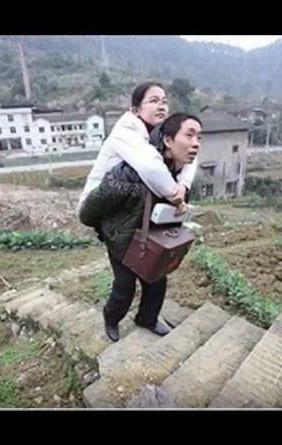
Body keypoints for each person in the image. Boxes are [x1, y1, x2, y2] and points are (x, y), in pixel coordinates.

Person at [80, 113, 202, 342]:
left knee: (156, 279)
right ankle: (111, 318)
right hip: (121, 239)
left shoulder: (179, 175)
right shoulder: (129, 173)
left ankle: (147, 318)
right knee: (125, 286)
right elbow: (90, 209)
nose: (196, 143)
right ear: (168, 140)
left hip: (153, 240)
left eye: (199, 137)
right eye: (189, 135)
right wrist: (107, 232)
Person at [78, 81, 198, 212]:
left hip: (121, 199)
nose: (161, 107)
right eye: (154, 101)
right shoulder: (125, 131)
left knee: (172, 153)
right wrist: (175, 196)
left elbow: (188, 153)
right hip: (92, 204)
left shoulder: (160, 133)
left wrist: (183, 185)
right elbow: (150, 167)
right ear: (136, 110)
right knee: (141, 171)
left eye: (164, 102)